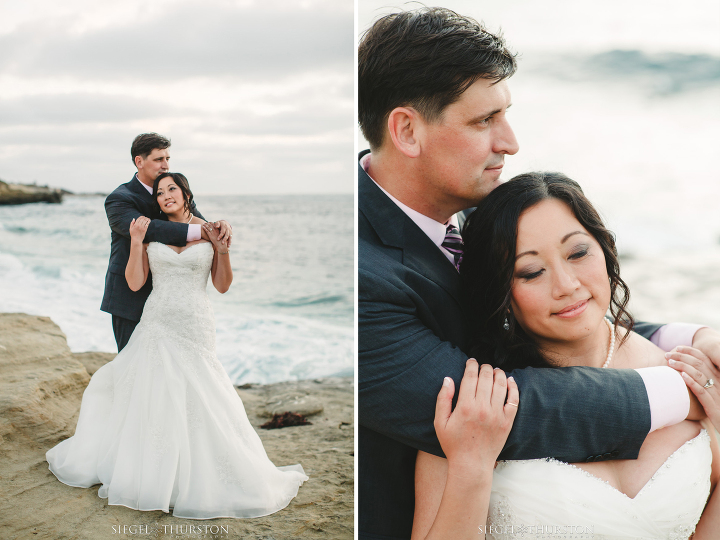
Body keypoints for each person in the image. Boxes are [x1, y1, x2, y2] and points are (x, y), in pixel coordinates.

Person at [357, 8, 720, 539]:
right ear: (407, 129)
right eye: (484, 121)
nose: (510, 141)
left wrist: (689, 338)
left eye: (504, 114)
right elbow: (498, 409)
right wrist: (684, 390)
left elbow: (563, 314)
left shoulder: (472, 210)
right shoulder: (362, 274)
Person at [412, 172, 720, 539]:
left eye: (578, 253)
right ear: (501, 293)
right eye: (531, 272)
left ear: (604, 249)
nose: (567, 286)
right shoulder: (476, 402)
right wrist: (472, 469)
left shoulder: (687, 372)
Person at [46, 172, 307, 519]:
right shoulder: (152, 229)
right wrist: (137, 241)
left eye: (172, 189)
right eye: (160, 192)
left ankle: (201, 475)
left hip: (195, 323)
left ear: (186, 194)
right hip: (157, 322)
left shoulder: (210, 229)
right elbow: (136, 282)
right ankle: (157, 476)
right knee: (155, 397)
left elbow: (223, 285)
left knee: (203, 395)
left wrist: (223, 248)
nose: (166, 195)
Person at [101, 133, 232, 352]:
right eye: (159, 159)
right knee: (135, 369)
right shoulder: (120, 199)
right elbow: (154, 229)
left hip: (176, 304)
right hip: (130, 299)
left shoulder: (176, 193)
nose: (165, 165)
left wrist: (219, 225)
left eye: (167, 159)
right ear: (139, 161)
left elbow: (198, 224)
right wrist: (202, 230)